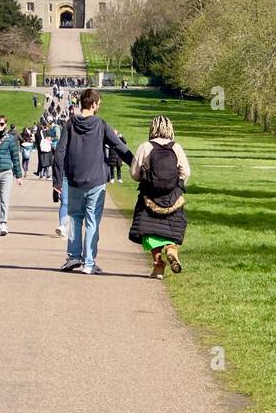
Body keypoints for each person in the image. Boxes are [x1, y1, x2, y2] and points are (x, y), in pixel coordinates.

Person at [52, 88, 132, 275]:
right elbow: (118, 146)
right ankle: (89, 262)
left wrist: (57, 181)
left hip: (74, 180)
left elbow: (59, 153)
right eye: (99, 104)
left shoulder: (70, 124)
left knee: (75, 219)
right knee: (92, 221)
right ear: (94, 104)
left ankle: (73, 256)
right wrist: (136, 163)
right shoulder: (100, 124)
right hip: (96, 181)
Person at [128, 116, 191, 278]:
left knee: (150, 232)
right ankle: (171, 249)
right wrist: (176, 185)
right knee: (170, 229)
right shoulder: (176, 148)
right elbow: (186, 172)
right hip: (173, 198)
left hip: (150, 197)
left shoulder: (145, 147)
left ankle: (158, 267)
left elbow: (134, 174)